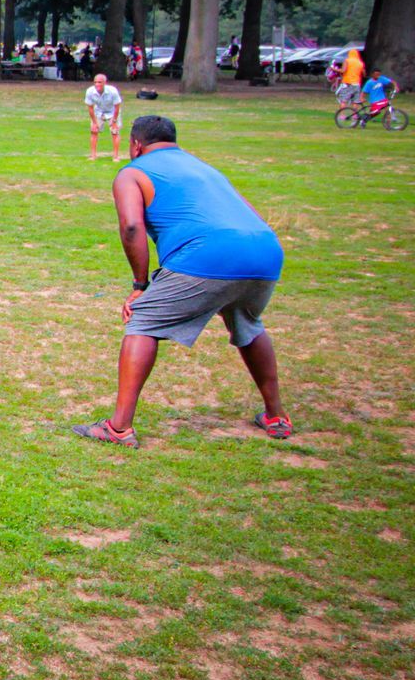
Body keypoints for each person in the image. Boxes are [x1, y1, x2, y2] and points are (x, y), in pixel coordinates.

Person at [74, 115, 289, 449]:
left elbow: (132, 227)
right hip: (265, 252)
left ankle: (118, 428)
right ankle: (276, 416)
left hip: (209, 254)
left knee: (143, 321)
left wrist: (140, 285)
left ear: (135, 145)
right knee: (247, 323)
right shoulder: (206, 169)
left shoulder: (133, 171)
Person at [84, 73, 124, 161]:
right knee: (93, 131)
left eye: (99, 82)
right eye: (95, 82)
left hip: (112, 111)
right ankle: (93, 155)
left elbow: (117, 107)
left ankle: (116, 156)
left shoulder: (113, 91)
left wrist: (114, 122)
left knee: (115, 132)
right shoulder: (90, 91)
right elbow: (90, 108)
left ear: (105, 83)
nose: (97, 84)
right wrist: (94, 123)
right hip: (98, 111)